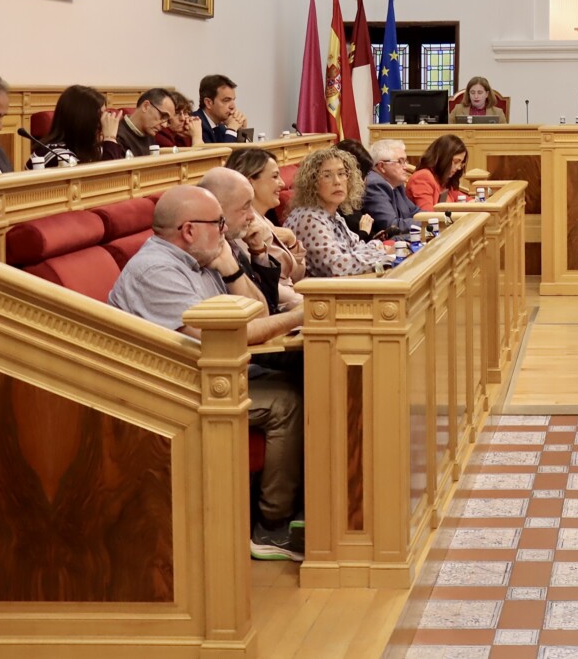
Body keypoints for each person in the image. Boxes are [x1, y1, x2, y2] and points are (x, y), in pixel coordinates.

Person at [108, 184, 304, 561]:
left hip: (210, 372)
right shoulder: (156, 270)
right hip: (168, 388)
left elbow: (257, 315)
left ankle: (303, 506)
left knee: (299, 376)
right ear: (189, 230)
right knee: (286, 401)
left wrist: (232, 268)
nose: (226, 231)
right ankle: (271, 526)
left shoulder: (202, 260)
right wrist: (299, 316)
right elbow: (231, 335)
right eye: (218, 223)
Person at [284, 148, 392, 276]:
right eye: (327, 176)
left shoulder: (333, 214)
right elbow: (337, 267)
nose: (337, 182)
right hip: (321, 288)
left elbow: (356, 248)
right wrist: (386, 258)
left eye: (341, 174)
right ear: (312, 183)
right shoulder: (308, 218)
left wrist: (379, 247)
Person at [225, 148, 306, 312]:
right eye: (275, 176)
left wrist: (292, 241)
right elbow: (255, 280)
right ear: (250, 182)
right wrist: (303, 302)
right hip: (276, 307)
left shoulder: (264, 220)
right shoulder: (242, 226)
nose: (282, 183)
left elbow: (297, 275)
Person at [33, 84, 123, 167]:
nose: (104, 122)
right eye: (100, 115)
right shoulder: (56, 156)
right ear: (84, 121)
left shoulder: (88, 149)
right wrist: (110, 138)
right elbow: (108, 178)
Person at [362, 138, 422, 238]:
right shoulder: (375, 185)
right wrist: (428, 222)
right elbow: (392, 226)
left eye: (405, 161)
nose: (406, 167)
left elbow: (415, 212)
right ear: (382, 166)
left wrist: (437, 218)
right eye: (400, 161)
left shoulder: (396, 184)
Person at [406, 133, 470, 210]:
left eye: (461, 163)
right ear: (443, 158)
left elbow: (466, 200)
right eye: (456, 162)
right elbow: (427, 215)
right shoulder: (422, 177)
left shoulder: (443, 179)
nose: (459, 168)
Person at [115, 88, 177, 158]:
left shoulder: (150, 134)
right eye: (163, 116)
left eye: (167, 120)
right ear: (146, 106)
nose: (164, 125)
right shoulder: (117, 136)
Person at [196, 74, 248, 143]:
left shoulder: (221, 127)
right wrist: (232, 129)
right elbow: (224, 150)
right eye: (226, 100)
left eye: (233, 100)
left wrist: (241, 131)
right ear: (208, 103)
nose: (233, 106)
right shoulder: (196, 125)